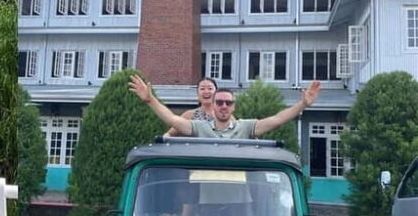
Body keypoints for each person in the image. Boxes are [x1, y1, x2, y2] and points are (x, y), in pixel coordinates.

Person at [129, 74, 321, 139]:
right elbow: (172, 120)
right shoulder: (198, 126)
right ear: (213, 103)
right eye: (219, 102)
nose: (223, 106)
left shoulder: (245, 127)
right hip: (203, 191)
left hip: (239, 195)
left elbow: (277, 120)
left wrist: (302, 104)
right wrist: (150, 100)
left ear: (234, 107)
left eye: (228, 103)